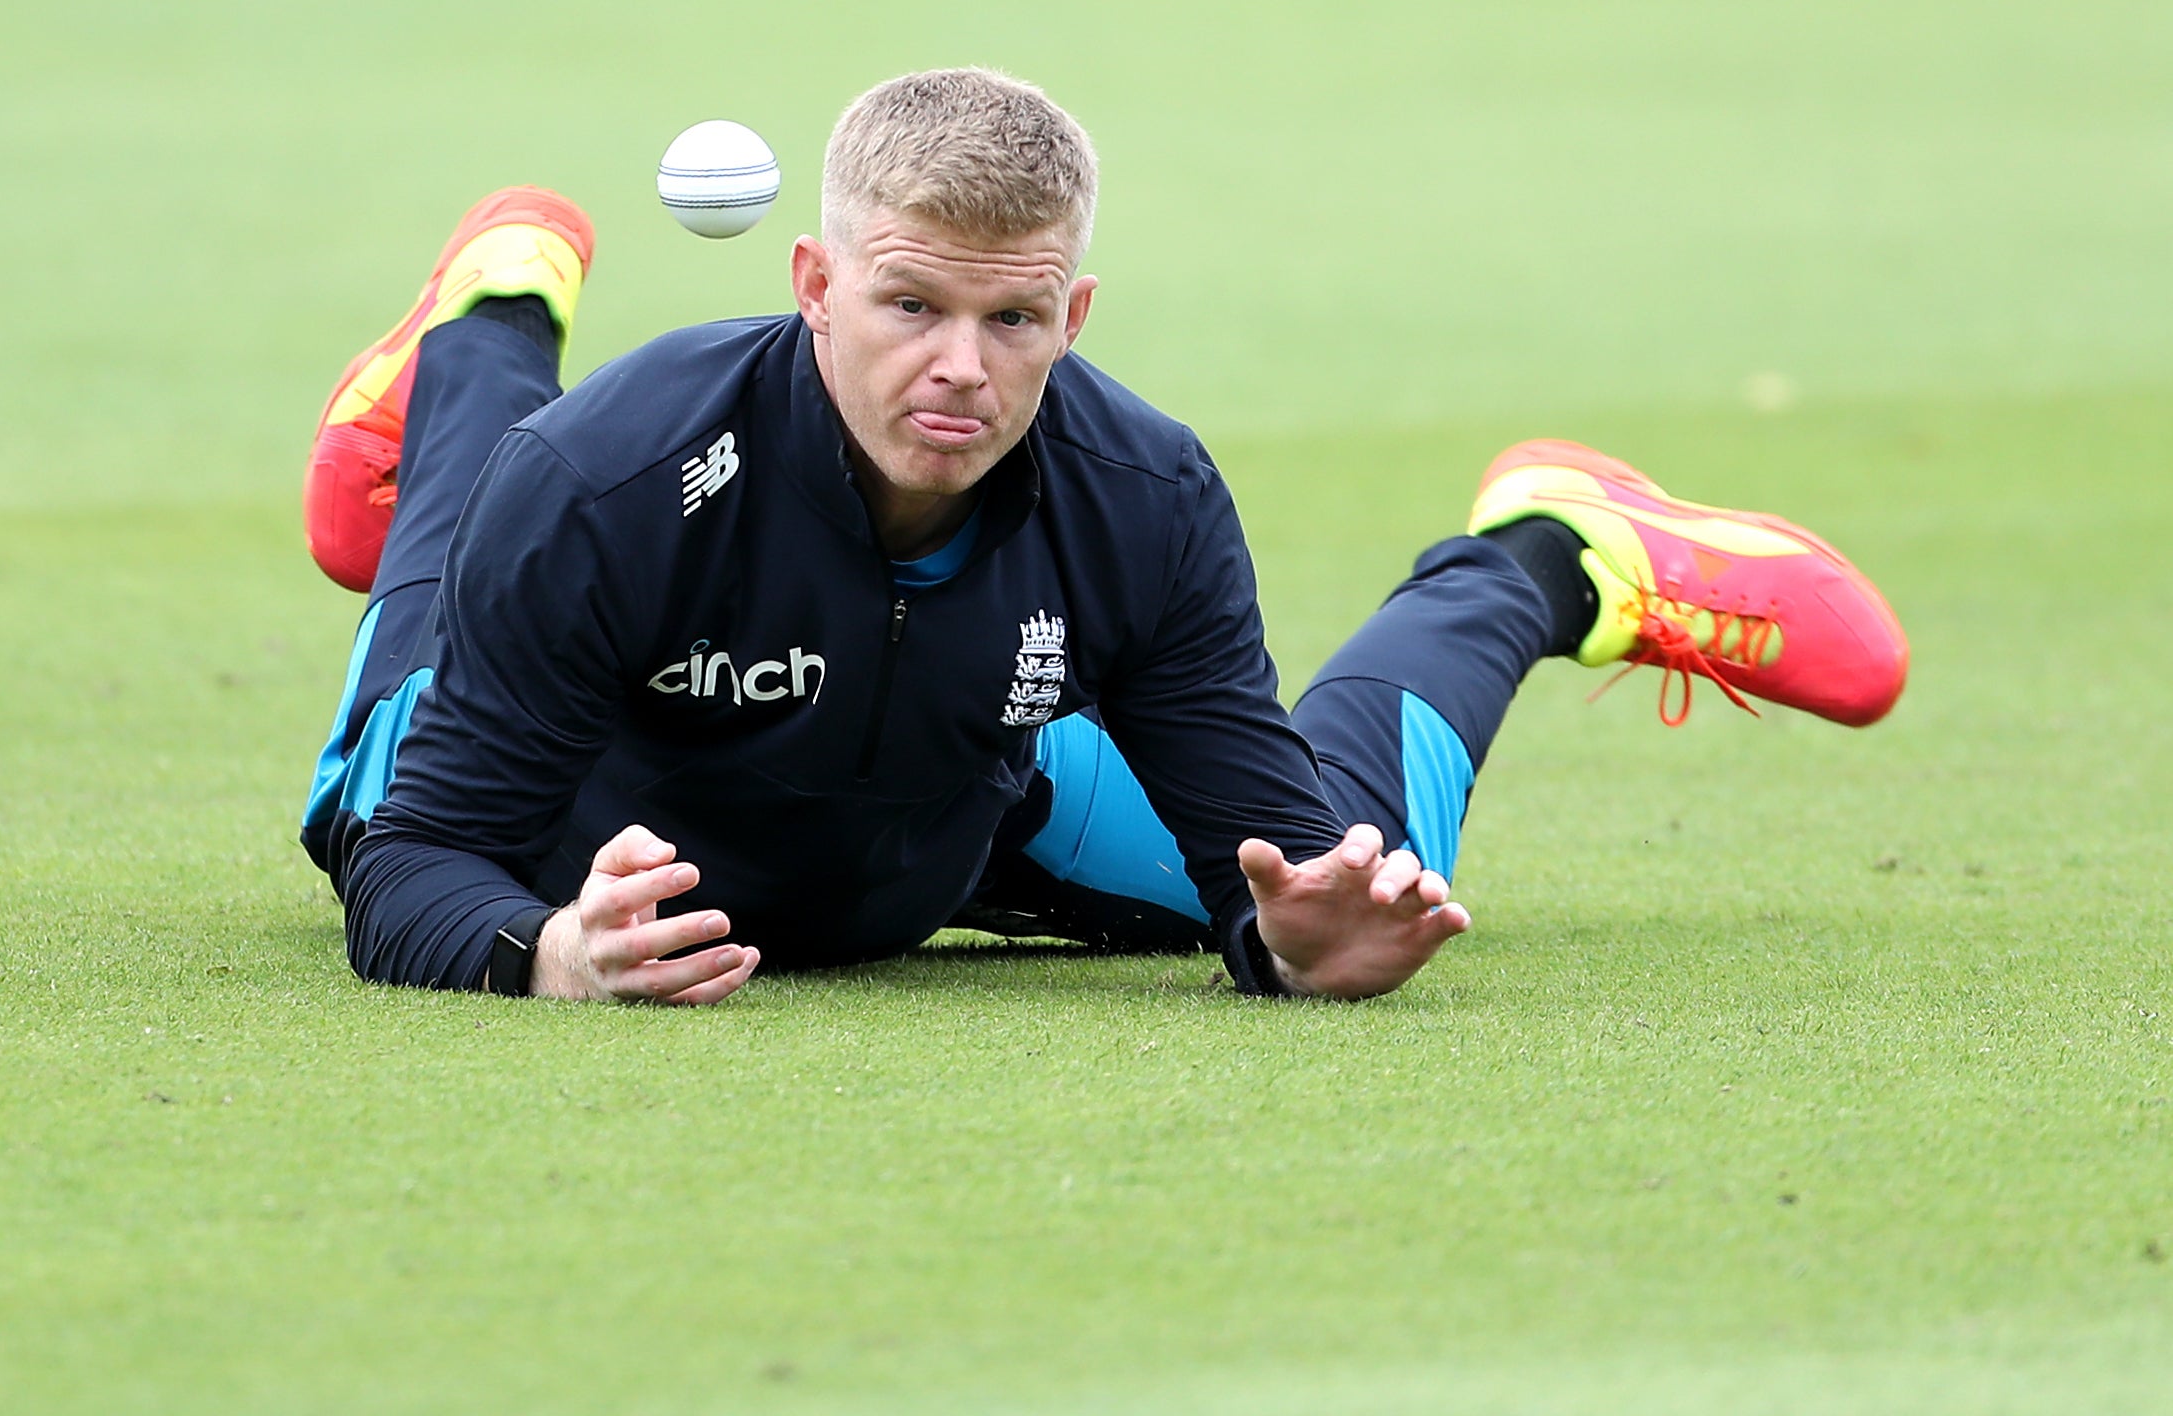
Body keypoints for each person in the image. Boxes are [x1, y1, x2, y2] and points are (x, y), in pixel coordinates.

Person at [295, 69, 1907, 1003]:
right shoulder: (614, 480)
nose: (959, 368)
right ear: (812, 285)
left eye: (1012, 319)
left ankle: (1553, 556)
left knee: (1373, 856)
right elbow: (412, 870)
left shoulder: (1142, 496)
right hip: (590, 791)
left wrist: (1294, 943)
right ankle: (494, 308)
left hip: (945, 788)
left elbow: (1272, 854)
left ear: (1072, 313)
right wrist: (548, 956)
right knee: (428, 630)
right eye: (909, 303)